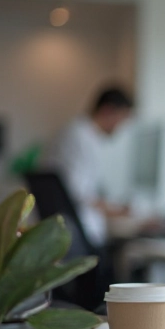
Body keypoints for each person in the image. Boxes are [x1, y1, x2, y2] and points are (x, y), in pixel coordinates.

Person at [47, 85, 134, 247]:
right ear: (108, 110)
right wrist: (115, 210)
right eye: (122, 119)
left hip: (69, 231)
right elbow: (78, 193)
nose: (121, 127)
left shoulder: (78, 132)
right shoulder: (81, 137)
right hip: (78, 234)